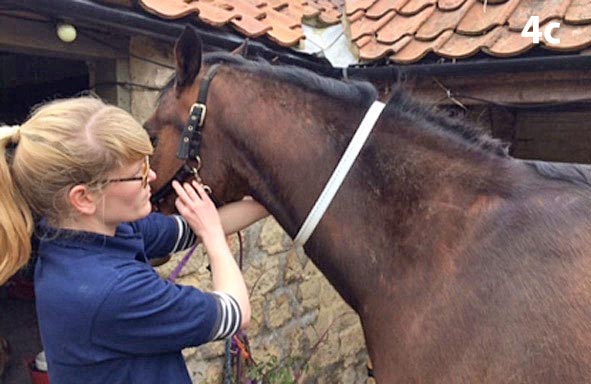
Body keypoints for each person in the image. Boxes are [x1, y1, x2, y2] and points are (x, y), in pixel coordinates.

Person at [0, 96, 268, 383]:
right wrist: (215, 238)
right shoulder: (109, 291)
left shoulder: (83, 231)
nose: (152, 177)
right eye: (137, 174)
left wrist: (271, 200)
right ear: (83, 197)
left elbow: (191, 229)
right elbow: (235, 312)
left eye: (146, 164)